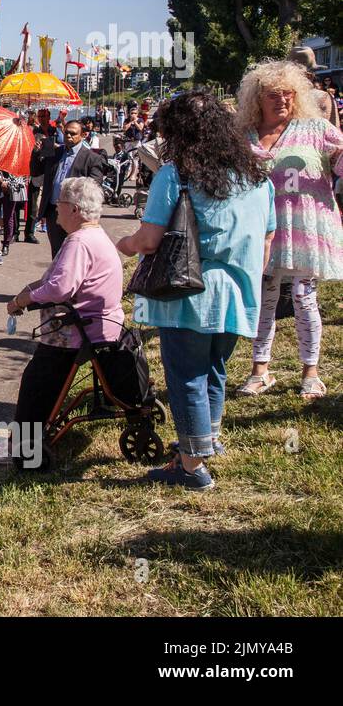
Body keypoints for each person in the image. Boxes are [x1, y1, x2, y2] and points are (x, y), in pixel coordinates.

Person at [117, 90, 274, 490]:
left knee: (186, 376)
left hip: (191, 290)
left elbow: (150, 240)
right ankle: (207, 442)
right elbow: (268, 236)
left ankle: (191, 466)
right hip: (240, 290)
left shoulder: (177, 174)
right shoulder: (256, 175)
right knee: (214, 370)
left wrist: (123, 244)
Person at [235, 60, 343, 398]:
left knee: (303, 296)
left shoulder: (315, 128)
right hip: (259, 229)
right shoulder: (243, 135)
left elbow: (339, 162)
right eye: (273, 95)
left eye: (288, 94)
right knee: (264, 298)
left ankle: (310, 372)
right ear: (256, 98)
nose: (282, 100)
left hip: (304, 228)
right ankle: (259, 370)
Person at [6, 177, 124, 466]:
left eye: (59, 202)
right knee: (40, 376)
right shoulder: (93, 236)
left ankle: (25, 451)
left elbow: (60, 289)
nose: (55, 208)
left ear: (73, 208)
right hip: (99, 324)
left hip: (79, 331)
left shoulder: (80, 241)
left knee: (35, 381)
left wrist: (23, 300)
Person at [38, 120, 109, 258]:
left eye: (73, 133)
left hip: (77, 215)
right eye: (66, 133)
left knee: (75, 254)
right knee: (57, 254)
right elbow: (36, 171)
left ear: (83, 135)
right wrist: (37, 153)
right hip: (54, 212)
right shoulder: (55, 152)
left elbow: (94, 187)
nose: (68, 136)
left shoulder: (92, 159)